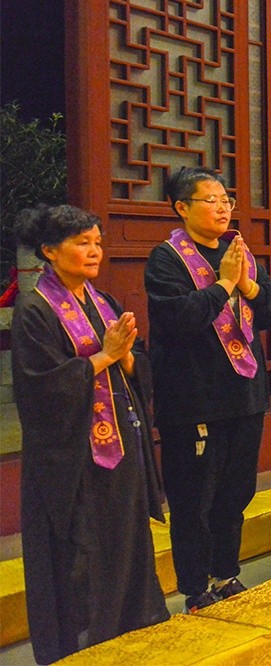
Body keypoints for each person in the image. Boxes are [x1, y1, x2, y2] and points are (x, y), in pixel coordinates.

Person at [12, 205, 168, 663]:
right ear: (49, 251)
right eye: (83, 243)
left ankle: (134, 631)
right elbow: (42, 388)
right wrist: (104, 356)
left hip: (123, 445)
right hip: (75, 459)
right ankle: (86, 646)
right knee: (84, 554)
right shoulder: (35, 310)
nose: (95, 251)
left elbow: (135, 364)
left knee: (127, 542)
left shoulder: (102, 302)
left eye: (97, 242)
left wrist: (125, 356)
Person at [145, 167, 271, 612]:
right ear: (182, 208)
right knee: (192, 499)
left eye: (226, 198)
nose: (224, 207)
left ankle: (226, 573)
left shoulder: (238, 252)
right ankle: (193, 588)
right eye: (211, 199)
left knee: (235, 493)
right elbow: (179, 318)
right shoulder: (165, 258)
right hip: (194, 400)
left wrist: (245, 282)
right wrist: (225, 285)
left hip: (243, 395)